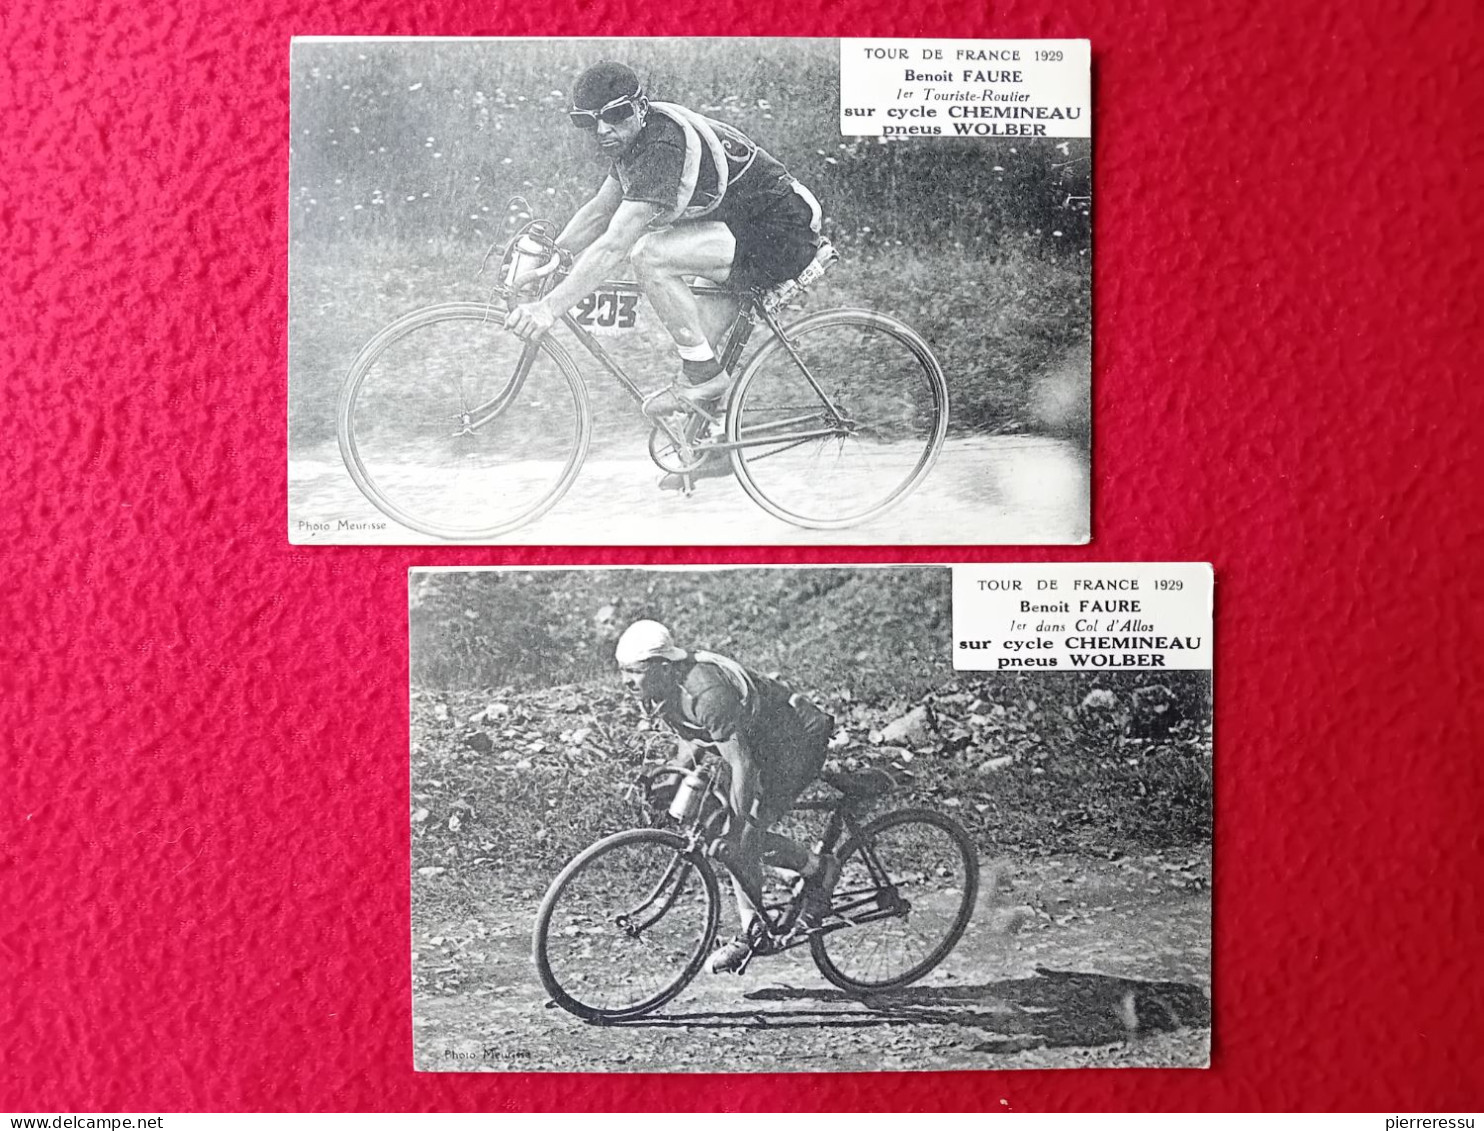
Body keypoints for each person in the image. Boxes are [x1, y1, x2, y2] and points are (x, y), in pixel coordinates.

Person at [504, 61, 828, 488]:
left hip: (782, 233)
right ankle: (712, 444)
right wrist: (556, 254)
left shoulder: (661, 148)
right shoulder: (634, 143)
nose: (603, 130)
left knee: (651, 255)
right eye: (588, 121)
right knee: (697, 342)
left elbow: (615, 245)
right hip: (744, 229)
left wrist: (549, 307)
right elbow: (601, 211)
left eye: (614, 115)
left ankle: (708, 382)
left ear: (640, 107)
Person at [615, 618, 838, 974]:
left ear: (661, 666)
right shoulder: (662, 688)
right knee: (723, 830)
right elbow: (692, 738)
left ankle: (818, 869)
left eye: (635, 672)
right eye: (623, 671)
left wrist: (740, 829)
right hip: (758, 742)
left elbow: (743, 766)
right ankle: (765, 911)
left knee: (743, 836)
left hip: (794, 742)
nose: (626, 681)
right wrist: (671, 779)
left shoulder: (706, 692)